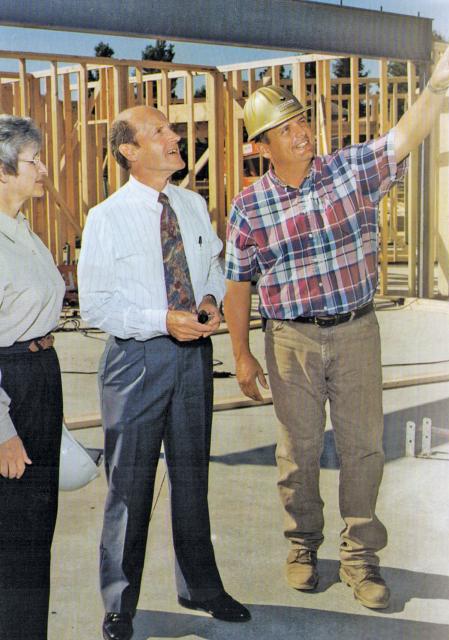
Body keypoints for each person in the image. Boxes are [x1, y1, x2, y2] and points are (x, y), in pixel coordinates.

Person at [224, 46, 449, 610]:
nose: (301, 132)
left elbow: (404, 136)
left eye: (302, 120)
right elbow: (238, 286)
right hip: (290, 340)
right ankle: (302, 546)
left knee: (363, 448)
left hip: (355, 333)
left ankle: (359, 557)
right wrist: (243, 356)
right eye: (285, 127)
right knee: (297, 453)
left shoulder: (349, 171)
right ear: (262, 147)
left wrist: (438, 88)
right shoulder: (249, 207)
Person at [77, 105, 250, 640]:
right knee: (129, 486)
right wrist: (161, 320)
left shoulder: (192, 205)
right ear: (129, 150)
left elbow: (216, 266)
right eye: (161, 131)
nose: (176, 138)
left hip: (194, 357)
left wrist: (207, 297)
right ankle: (119, 603)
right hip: (136, 360)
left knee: (192, 477)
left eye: (173, 130)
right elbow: (94, 307)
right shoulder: (105, 217)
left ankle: (201, 587)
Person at [0, 115, 65, 640]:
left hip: (40, 375)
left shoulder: (22, 229)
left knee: (35, 528)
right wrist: (1, 427)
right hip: (10, 385)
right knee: (14, 534)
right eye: (33, 161)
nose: (44, 169)